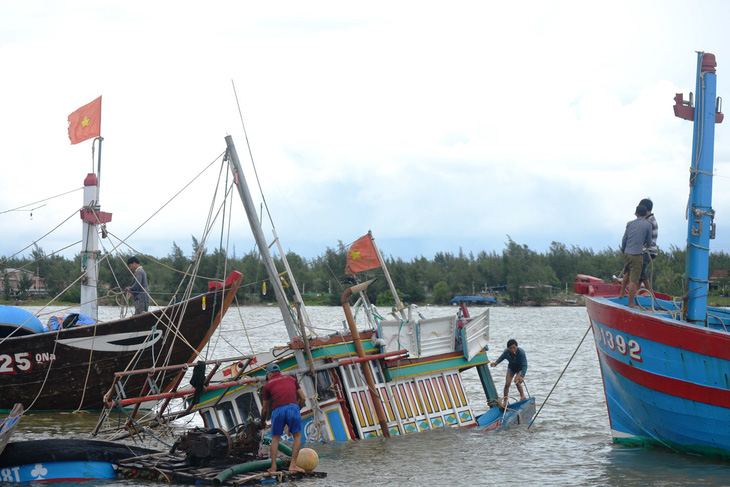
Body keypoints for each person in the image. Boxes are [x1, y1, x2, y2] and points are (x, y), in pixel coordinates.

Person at [259, 363, 307, 473]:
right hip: (293, 407)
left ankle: (273, 467)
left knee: (275, 438)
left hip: (278, 410)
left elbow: (265, 409)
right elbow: (303, 398)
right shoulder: (291, 379)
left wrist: (262, 422)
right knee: (297, 436)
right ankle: (293, 465)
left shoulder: (267, 386)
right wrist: (296, 411)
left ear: (270, 374)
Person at [618, 205, 653, 308]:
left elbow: (624, 239)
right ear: (646, 214)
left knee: (627, 273)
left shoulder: (629, 224)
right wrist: (647, 244)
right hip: (637, 255)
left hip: (627, 253)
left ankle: (621, 293)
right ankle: (631, 303)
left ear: (636, 214)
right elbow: (649, 241)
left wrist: (623, 251)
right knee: (634, 280)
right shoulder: (648, 225)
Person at [490, 339, 528, 407]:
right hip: (511, 367)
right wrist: (496, 363)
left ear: (517, 347)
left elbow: (525, 365)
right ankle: (505, 401)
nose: (513, 350)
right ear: (508, 348)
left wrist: (522, 376)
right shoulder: (506, 352)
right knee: (507, 384)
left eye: (514, 348)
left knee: (516, 381)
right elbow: (502, 357)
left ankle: (522, 396)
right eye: (510, 348)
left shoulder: (521, 352)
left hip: (520, 368)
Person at [638, 198, 658, 293]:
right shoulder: (649, 220)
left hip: (649, 250)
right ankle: (636, 290)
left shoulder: (649, 221)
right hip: (645, 250)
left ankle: (649, 291)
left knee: (640, 270)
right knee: (638, 271)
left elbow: (645, 237)